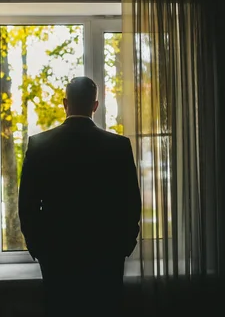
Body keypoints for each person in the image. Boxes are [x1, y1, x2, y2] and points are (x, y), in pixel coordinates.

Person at [19, 76, 142, 317]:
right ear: (95, 106)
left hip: (57, 257)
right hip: (106, 257)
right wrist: (123, 247)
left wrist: (39, 248)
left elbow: (27, 206)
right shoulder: (118, 146)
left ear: (65, 103)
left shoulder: (39, 145)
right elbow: (131, 204)